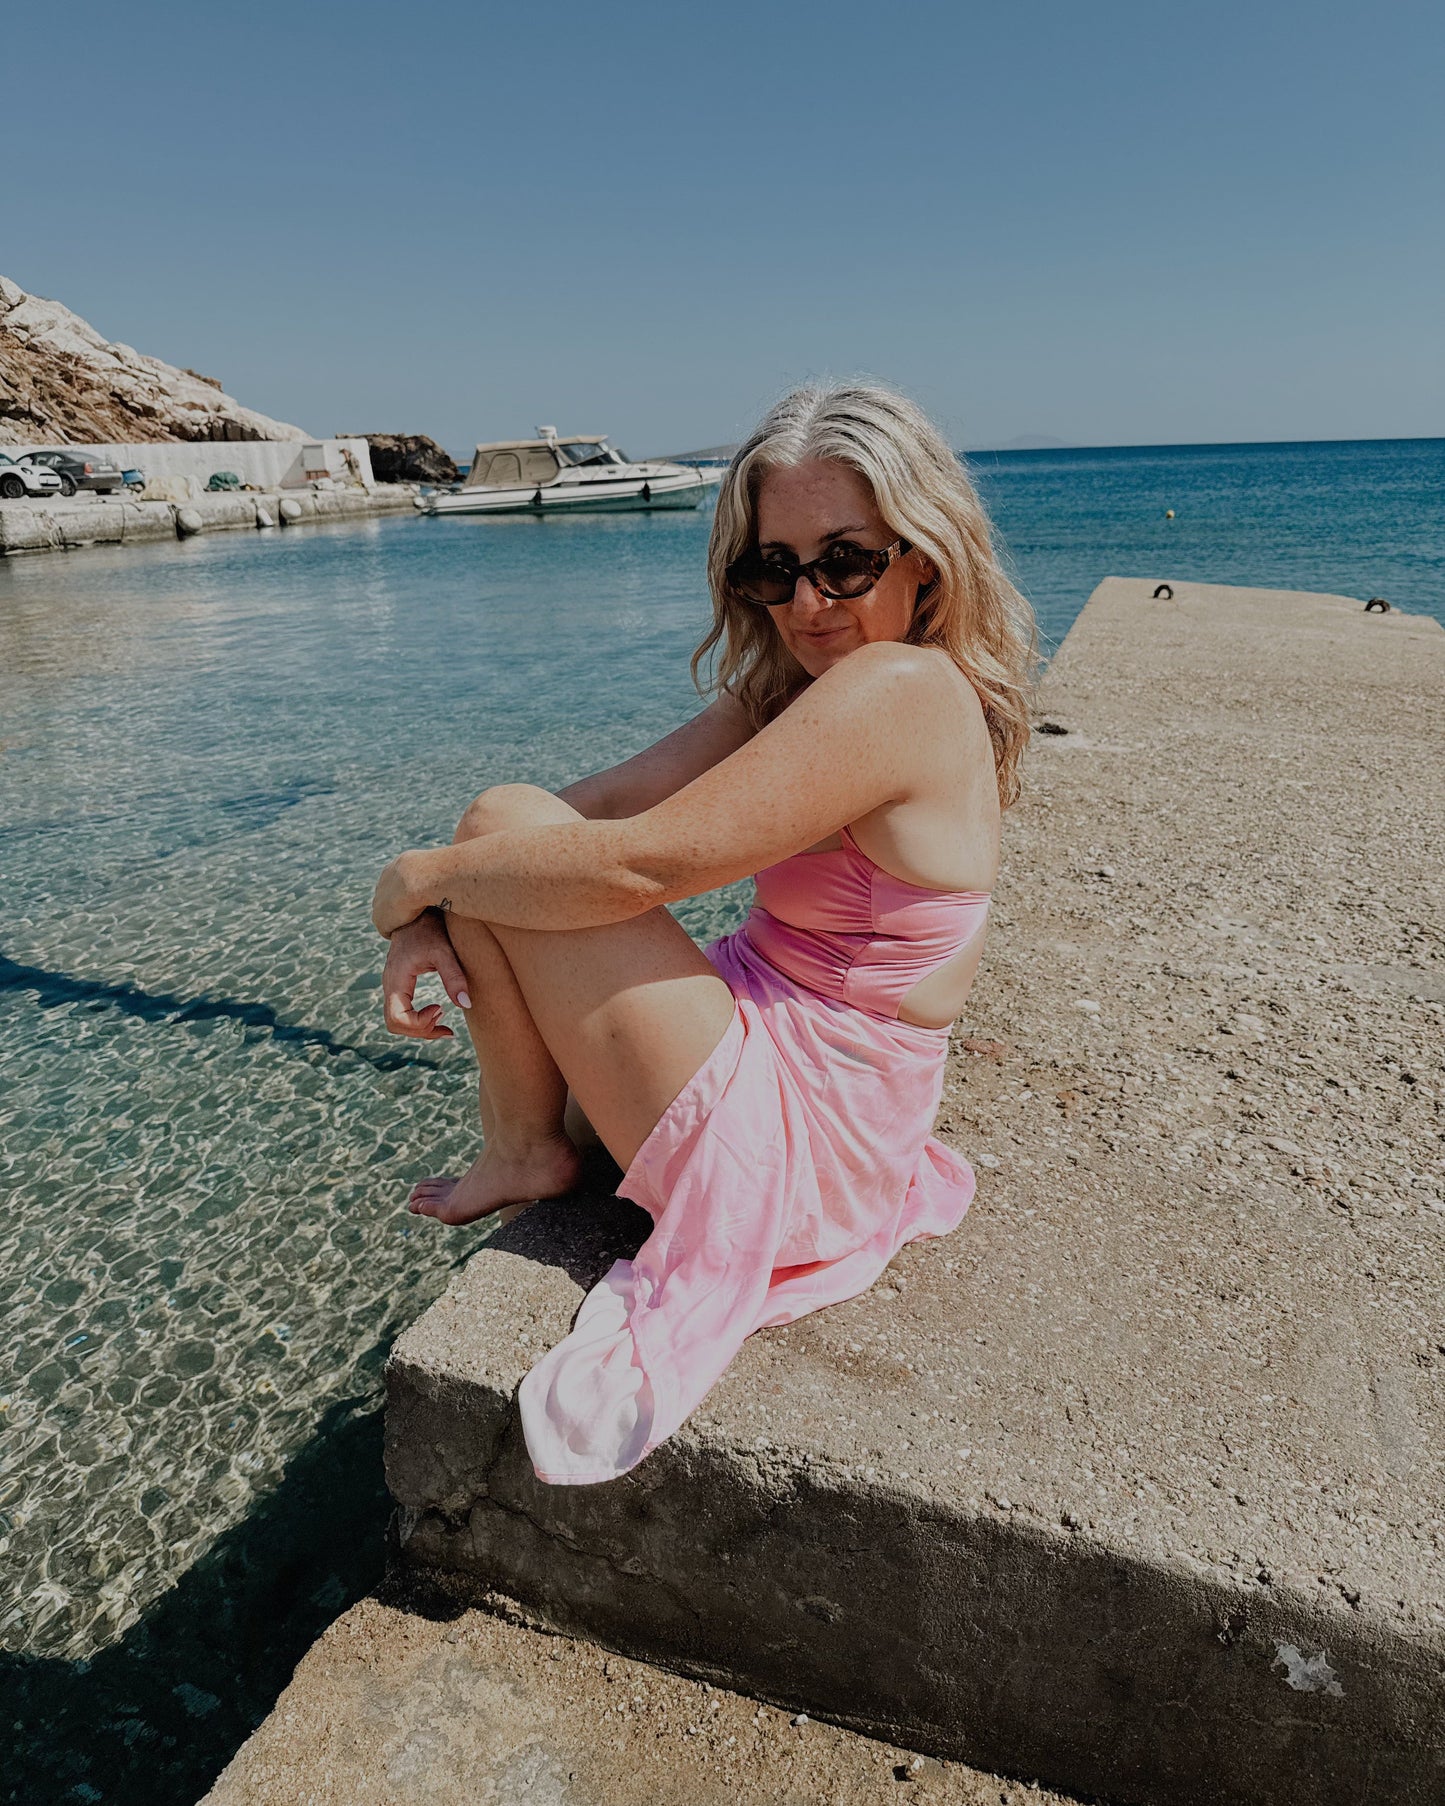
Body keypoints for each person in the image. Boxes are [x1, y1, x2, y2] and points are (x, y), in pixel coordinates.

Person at [371, 382, 1037, 1484]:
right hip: (769, 1041)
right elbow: (582, 814)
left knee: (498, 832)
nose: (807, 600)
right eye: (772, 568)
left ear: (922, 558)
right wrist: (440, 906)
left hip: (808, 1133)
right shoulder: (791, 685)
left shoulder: (900, 687)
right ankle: (532, 1146)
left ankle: (526, 1149)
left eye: (844, 561)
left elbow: (647, 863)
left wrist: (410, 885)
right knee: (509, 829)